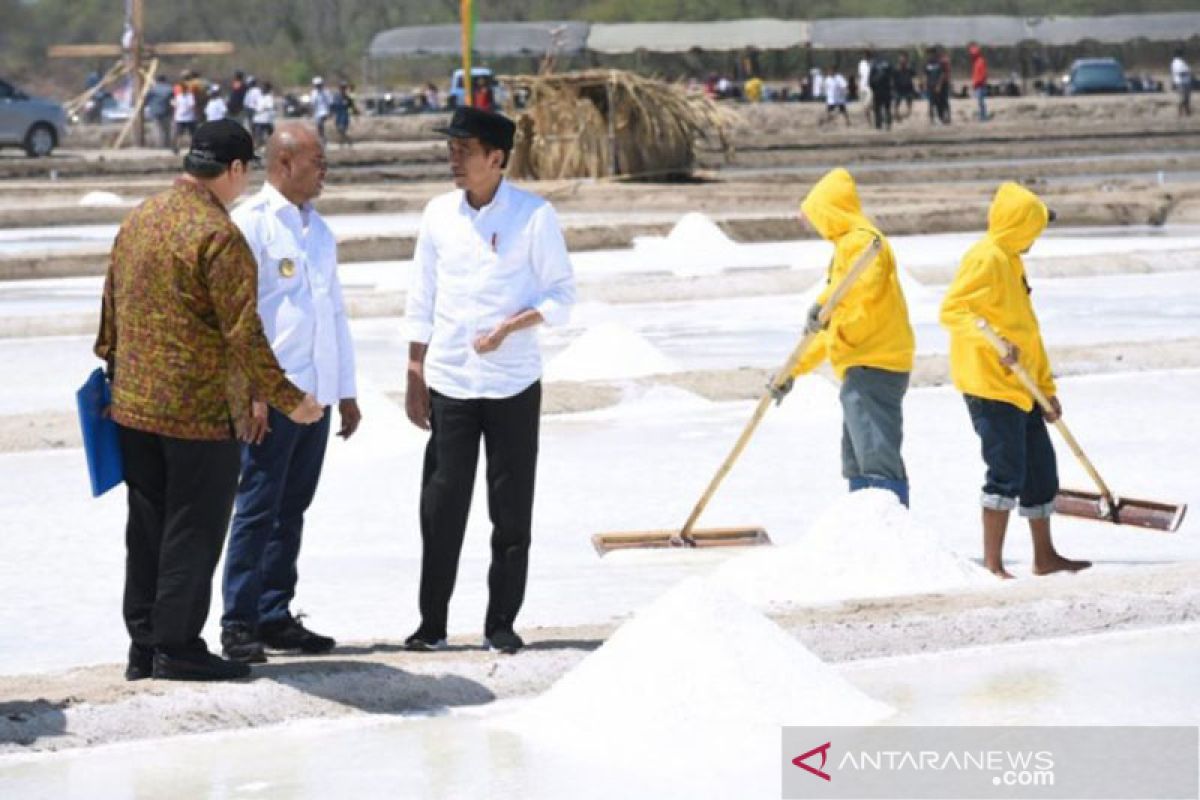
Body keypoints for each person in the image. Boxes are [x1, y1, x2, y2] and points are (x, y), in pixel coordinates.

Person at [94, 119, 324, 682]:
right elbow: (244, 335)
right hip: (195, 416)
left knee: (147, 528)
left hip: (133, 408)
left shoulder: (140, 218)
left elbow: (109, 315)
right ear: (236, 170)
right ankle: (178, 647)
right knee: (193, 533)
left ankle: (144, 645)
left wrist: (115, 372)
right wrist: (289, 399)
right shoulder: (219, 236)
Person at [403, 106, 575, 655]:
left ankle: (501, 621)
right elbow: (420, 296)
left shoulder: (534, 216)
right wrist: (414, 369)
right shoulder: (437, 215)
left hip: (513, 383)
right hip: (451, 379)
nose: (453, 159)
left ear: (496, 158)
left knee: (510, 508)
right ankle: (432, 623)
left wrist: (511, 327)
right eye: (451, 149)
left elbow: (561, 296)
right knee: (441, 505)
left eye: (464, 150)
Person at [219, 123, 360, 663]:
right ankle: (239, 621)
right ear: (283, 164)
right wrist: (253, 392)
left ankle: (275, 613)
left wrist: (344, 392)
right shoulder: (251, 225)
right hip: (272, 398)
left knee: (292, 508)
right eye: (316, 161)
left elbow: (334, 315)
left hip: (316, 396)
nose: (324, 170)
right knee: (256, 506)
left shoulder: (318, 231)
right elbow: (241, 320)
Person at [938, 182, 1092, 579]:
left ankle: (1045, 557)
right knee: (1005, 471)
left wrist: (1045, 391)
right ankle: (993, 563)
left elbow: (1028, 334)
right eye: (1035, 229)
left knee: (1041, 471)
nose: (1037, 238)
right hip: (990, 386)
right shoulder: (985, 258)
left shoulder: (1011, 261)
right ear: (1019, 225)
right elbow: (954, 310)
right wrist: (993, 344)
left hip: (1022, 388)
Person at [772, 168, 913, 507]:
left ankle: (894, 532)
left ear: (830, 210)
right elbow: (834, 325)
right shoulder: (847, 246)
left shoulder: (864, 241)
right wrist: (792, 370)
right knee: (857, 458)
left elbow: (860, 287)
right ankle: (863, 529)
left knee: (876, 455)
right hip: (861, 365)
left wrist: (823, 304)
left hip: (876, 362)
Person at [171, 72, 198, 154]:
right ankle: (192, 148)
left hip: (180, 117)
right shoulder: (190, 94)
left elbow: (174, 105)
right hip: (189, 118)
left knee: (179, 134)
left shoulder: (178, 94)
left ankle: (177, 148)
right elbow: (192, 106)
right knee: (191, 134)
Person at [144, 75, 174, 149]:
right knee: (167, 128)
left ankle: (159, 145)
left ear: (157, 81)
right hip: (167, 110)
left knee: (157, 128)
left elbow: (146, 99)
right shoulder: (170, 89)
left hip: (154, 111)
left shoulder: (152, 89)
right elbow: (173, 99)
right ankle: (167, 144)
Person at [868, 52, 894, 130]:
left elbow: (870, 79)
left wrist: (872, 87)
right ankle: (886, 124)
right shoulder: (887, 63)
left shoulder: (874, 64)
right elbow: (892, 76)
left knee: (879, 108)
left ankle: (880, 124)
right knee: (885, 108)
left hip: (880, 89)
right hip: (884, 89)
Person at [924, 47, 949, 125]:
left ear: (934, 54)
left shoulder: (939, 63)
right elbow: (925, 75)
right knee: (931, 103)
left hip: (938, 86)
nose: (929, 56)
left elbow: (942, 74)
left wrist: (939, 85)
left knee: (939, 103)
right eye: (928, 54)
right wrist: (924, 85)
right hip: (930, 86)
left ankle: (940, 118)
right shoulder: (927, 64)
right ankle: (931, 119)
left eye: (931, 54)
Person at [330, 82, 357, 148]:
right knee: (339, 130)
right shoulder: (336, 96)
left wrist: (355, 113)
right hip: (338, 114)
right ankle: (348, 141)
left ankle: (342, 144)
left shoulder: (347, 97)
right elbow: (333, 105)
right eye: (341, 88)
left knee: (342, 129)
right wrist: (331, 112)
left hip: (344, 114)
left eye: (344, 88)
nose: (343, 89)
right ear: (339, 88)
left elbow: (352, 106)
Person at [892, 52, 917, 121]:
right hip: (898, 88)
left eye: (903, 59)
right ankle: (897, 114)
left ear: (906, 60)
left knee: (909, 102)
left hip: (908, 88)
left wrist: (916, 87)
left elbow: (914, 76)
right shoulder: (896, 69)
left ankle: (908, 114)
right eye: (900, 59)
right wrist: (892, 87)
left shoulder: (910, 68)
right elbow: (893, 78)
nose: (902, 60)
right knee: (897, 102)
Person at [969, 43, 991, 121]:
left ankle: (983, 116)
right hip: (977, 84)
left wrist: (978, 82)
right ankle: (982, 116)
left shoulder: (980, 61)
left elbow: (983, 74)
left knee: (981, 101)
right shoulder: (975, 62)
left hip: (980, 85)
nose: (972, 55)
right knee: (980, 101)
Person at [251, 81, 276, 149]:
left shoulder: (269, 97)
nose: (263, 89)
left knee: (271, 135)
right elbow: (255, 105)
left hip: (266, 120)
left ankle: (272, 146)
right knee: (258, 135)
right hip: (258, 119)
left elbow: (269, 106)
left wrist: (262, 109)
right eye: (262, 87)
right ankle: (258, 146)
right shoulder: (260, 97)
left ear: (267, 89)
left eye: (264, 88)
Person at [1172, 49, 1192, 118]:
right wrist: (1187, 72)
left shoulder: (1182, 62)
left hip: (1186, 81)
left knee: (1187, 98)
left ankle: (1188, 112)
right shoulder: (1176, 62)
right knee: (1182, 98)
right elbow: (1179, 72)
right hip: (1181, 82)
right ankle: (1179, 112)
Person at [311, 77, 332, 143]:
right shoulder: (314, 93)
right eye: (317, 85)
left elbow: (330, 102)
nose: (318, 86)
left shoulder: (326, 92)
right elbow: (312, 103)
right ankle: (321, 138)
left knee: (320, 122)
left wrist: (330, 111)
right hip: (317, 112)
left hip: (324, 111)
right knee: (318, 125)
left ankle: (323, 138)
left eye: (319, 85)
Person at [858, 50, 874, 126]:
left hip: (870, 87)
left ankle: (871, 120)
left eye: (867, 55)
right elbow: (860, 75)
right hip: (862, 86)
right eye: (864, 55)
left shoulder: (872, 63)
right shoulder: (861, 63)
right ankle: (869, 121)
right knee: (864, 106)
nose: (865, 56)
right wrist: (858, 86)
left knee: (868, 105)